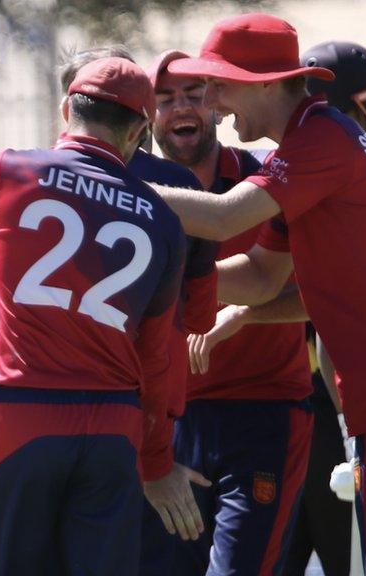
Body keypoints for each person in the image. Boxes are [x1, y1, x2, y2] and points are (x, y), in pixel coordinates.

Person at [151, 13, 366, 576]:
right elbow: (263, 276)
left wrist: (108, 183)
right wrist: (180, 294)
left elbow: (223, 216)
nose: (209, 99)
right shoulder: (309, 147)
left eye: (217, 82)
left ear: (261, 82)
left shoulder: (319, 138)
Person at [0, 57, 187, 576]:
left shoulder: (5, 169)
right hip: (113, 427)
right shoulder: (163, 219)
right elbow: (156, 357)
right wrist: (156, 456)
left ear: (65, 108)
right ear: (139, 131)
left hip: (21, 412)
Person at [147, 48, 314, 576]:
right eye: (165, 99)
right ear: (145, 114)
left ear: (216, 104)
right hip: (166, 421)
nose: (181, 109)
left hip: (264, 410)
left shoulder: (265, 179)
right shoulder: (126, 196)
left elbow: (327, 292)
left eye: (193, 95)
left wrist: (245, 310)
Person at [54, 48, 212, 569]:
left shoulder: (25, 174)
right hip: (141, 415)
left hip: (39, 411)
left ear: (66, 108)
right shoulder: (179, 188)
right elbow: (199, 312)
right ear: (141, 114)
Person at [281, 41, 366, 576]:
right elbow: (327, 310)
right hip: (309, 407)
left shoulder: (360, 176)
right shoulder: (310, 178)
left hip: (329, 405)